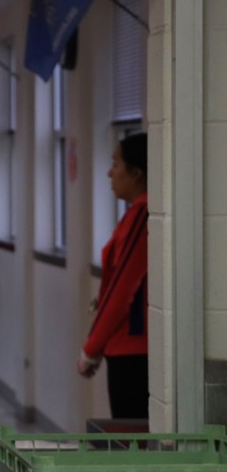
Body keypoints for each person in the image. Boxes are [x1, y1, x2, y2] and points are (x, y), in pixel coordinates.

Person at [77, 132, 149, 419]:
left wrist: (91, 348)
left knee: (131, 440)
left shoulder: (144, 215)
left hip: (133, 350)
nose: (110, 172)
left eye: (116, 163)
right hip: (127, 347)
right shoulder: (135, 214)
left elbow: (121, 289)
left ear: (136, 173)